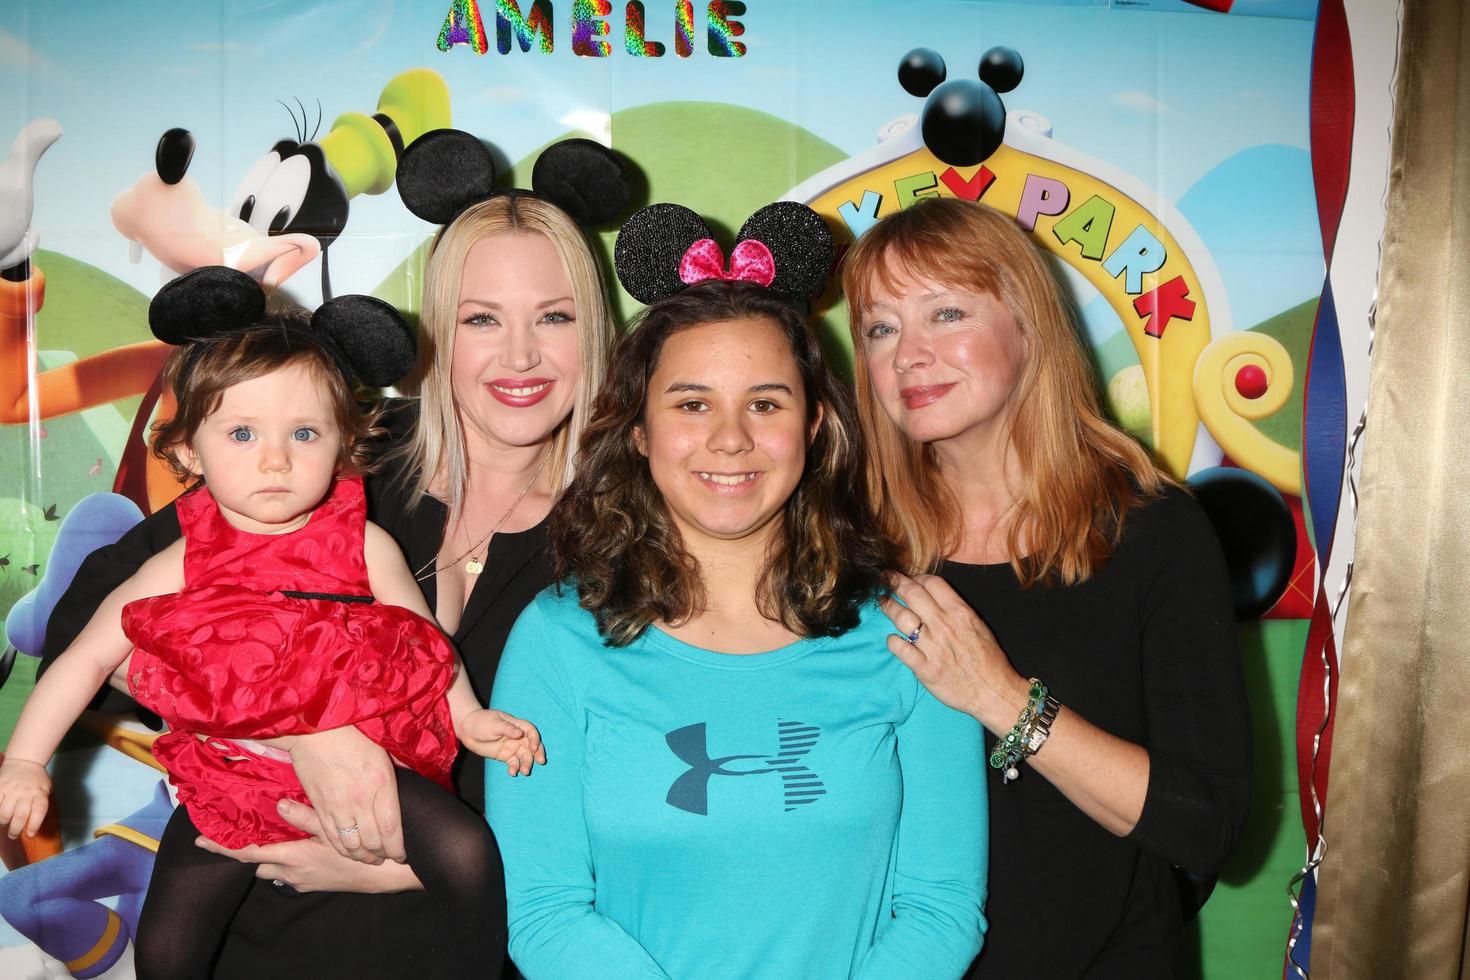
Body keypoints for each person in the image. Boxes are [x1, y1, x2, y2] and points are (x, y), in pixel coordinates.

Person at [36, 176, 618, 977]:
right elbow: (85, 631)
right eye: (481, 318)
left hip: (464, 948)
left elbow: (622, 790)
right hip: (264, 944)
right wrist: (302, 728)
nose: (520, 355)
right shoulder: (327, 454)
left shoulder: (623, 530)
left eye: (556, 316)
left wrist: (403, 863)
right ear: (437, 330)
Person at [486, 276, 989, 980]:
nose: (731, 439)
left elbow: (941, 907)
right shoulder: (556, 641)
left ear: (814, 425)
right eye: (693, 403)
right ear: (638, 429)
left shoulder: (908, 632)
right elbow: (542, 910)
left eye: (765, 403)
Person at [839, 196, 1252, 977]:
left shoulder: (1151, 533)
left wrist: (1000, 697)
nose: (909, 355)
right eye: (881, 328)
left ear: (1029, 328)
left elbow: (1206, 827)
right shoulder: (849, 541)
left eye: (947, 312)